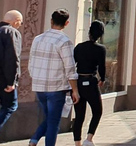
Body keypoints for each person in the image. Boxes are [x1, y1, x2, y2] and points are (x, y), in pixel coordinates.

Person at [28, 9, 79, 146]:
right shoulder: (64, 41)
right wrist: (75, 90)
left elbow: (31, 63)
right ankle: (39, 141)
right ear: (67, 23)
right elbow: (70, 67)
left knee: (49, 118)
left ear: (51, 21)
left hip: (39, 86)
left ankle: (34, 140)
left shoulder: (38, 39)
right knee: (53, 122)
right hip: (56, 87)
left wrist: (36, 77)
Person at [73, 21, 107, 146]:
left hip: (79, 81)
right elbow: (102, 67)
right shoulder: (100, 49)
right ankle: (89, 139)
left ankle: (78, 143)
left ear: (89, 32)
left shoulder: (79, 47)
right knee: (97, 111)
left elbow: (72, 64)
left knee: (79, 115)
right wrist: (102, 78)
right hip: (91, 82)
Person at [0, 10, 22, 131]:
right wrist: (11, 82)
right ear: (16, 21)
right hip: (4, 79)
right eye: (20, 23)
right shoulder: (11, 32)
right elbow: (12, 58)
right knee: (10, 106)